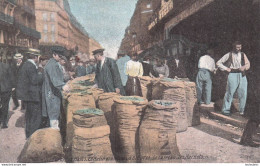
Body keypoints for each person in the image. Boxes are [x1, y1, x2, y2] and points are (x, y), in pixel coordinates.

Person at [217, 41, 250, 116]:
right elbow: (218, 63)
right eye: (237, 47)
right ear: (234, 47)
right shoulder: (229, 54)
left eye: (240, 47)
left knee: (243, 93)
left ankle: (242, 111)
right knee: (229, 92)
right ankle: (225, 110)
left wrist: (244, 67)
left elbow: (248, 64)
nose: (239, 49)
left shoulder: (243, 54)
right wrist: (226, 68)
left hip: (242, 75)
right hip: (232, 74)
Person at [16, 49, 43, 138]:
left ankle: (29, 134)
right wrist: (42, 74)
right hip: (33, 96)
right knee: (35, 117)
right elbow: (34, 80)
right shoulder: (31, 66)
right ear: (35, 57)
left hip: (29, 96)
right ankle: (33, 136)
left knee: (29, 116)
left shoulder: (26, 64)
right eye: (38, 57)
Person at [42, 47, 69, 130]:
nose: (60, 58)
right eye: (59, 56)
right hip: (52, 94)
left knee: (56, 113)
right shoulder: (52, 65)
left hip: (54, 92)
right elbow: (55, 80)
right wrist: (63, 86)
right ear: (54, 55)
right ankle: (54, 133)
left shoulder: (54, 63)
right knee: (54, 114)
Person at [240, 56, 260, 147]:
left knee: (255, 118)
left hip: (255, 94)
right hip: (257, 96)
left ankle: (245, 139)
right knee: (255, 118)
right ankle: (246, 139)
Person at [0, 55, 15, 129]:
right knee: (5, 106)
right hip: (5, 89)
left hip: (4, 89)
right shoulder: (6, 66)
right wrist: (12, 86)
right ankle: (4, 122)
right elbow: (11, 77)